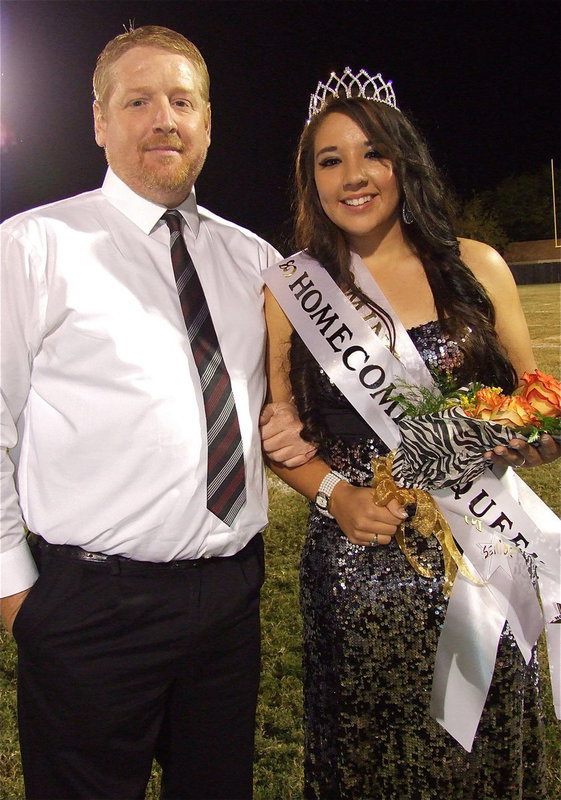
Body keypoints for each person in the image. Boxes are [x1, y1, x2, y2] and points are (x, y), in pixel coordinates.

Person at [0, 25, 313, 800]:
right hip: (90, 605)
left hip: (231, 598)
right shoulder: (35, 246)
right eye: (138, 101)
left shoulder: (253, 261)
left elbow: (285, 407)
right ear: (100, 122)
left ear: (207, 122)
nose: (163, 119)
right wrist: (16, 594)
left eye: (182, 101)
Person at [265, 69, 560, 799]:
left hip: (483, 552)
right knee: (372, 756)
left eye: (371, 153)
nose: (353, 176)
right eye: (329, 160)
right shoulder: (290, 291)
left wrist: (538, 437)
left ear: (403, 161)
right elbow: (285, 440)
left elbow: (538, 403)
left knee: (484, 751)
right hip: (357, 568)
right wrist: (335, 497)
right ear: (311, 180)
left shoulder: (475, 265)